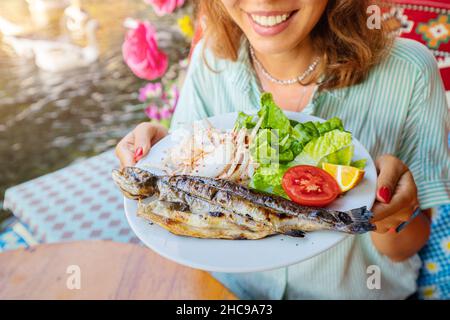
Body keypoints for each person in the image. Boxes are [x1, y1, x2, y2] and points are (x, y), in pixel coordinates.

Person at [115, 0, 450, 299]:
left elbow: (406, 247)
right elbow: (185, 192)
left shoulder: (411, 72)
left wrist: (391, 216)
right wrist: (164, 150)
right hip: (230, 291)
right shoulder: (210, 60)